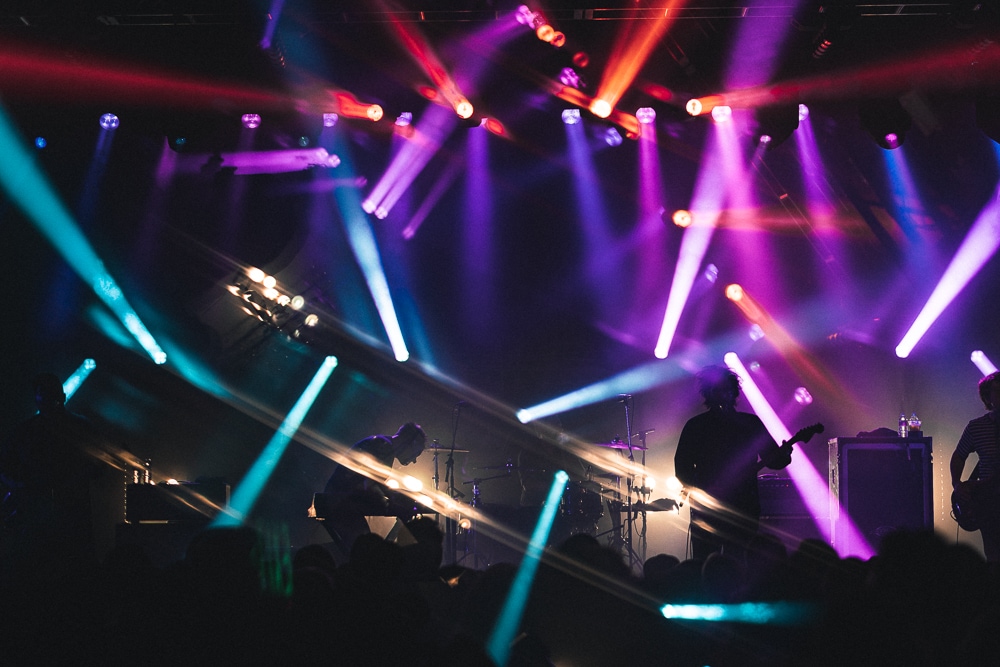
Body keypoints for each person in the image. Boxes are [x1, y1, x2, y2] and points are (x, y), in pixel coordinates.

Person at [673, 365, 794, 563]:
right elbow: (682, 465)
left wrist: (785, 454)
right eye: (718, 390)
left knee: (737, 558)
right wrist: (699, 489)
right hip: (710, 506)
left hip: (742, 506)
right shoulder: (696, 426)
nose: (723, 394)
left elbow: (774, 460)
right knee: (706, 559)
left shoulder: (750, 423)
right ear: (709, 393)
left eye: (727, 389)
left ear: (734, 392)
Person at [0, 372, 107, 578]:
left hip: (64, 516)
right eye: (44, 395)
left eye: (49, 395)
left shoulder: (27, 431)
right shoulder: (77, 426)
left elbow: (98, 466)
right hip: (49, 516)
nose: (47, 400)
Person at [319, 422, 427, 563]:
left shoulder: (381, 444)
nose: (414, 460)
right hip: (341, 504)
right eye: (417, 453)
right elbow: (368, 487)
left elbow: (376, 485)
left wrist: (402, 497)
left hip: (339, 501)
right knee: (364, 552)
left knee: (363, 549)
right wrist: (396, 505)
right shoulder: (383, 447)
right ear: (410, 442)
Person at [950, 371, 1000, 563]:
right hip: (989, 502)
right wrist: (957, 484)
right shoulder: (976, 427)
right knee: (993, 552)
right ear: (988, 397)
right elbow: (958, 456)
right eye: (998, 391)